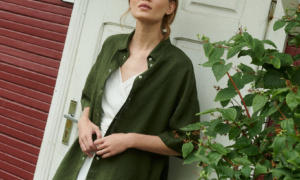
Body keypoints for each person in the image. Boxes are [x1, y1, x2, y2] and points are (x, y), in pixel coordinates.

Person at [53, 0, 200, 179]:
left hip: (129, 172)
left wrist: (129, 140)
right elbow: (90, 96)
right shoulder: (111, 45)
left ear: (170, 7)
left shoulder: (178, 66)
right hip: (80, 165)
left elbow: (186, 141)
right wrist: (84, 120)